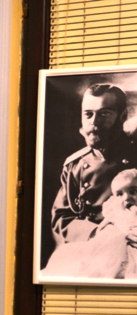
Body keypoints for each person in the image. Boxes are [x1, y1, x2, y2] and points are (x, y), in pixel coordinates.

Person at [50, 84, 137, 253]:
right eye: (88, 114)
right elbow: (62, 217)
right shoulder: (75, 165)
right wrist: (96, 233)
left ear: (123, 116)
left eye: (104, 114)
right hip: (91, 247)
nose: (94, 122)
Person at [42, 168, 137, 279]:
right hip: (114, 245)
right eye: (119, 194)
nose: (126, 198)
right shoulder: (115, 210)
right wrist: (101, 231)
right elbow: (103, 225)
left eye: (133, 192)